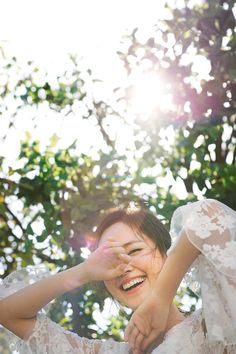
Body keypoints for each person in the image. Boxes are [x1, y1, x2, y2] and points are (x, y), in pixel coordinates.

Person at [0, 198, 235, 354]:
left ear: (166, 254)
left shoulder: (213, 324)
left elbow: (210, 215)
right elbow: (8, 313)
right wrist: (84, 270)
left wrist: (161, 297)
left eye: (134, 250)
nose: (124, 266)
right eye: (109, 262)